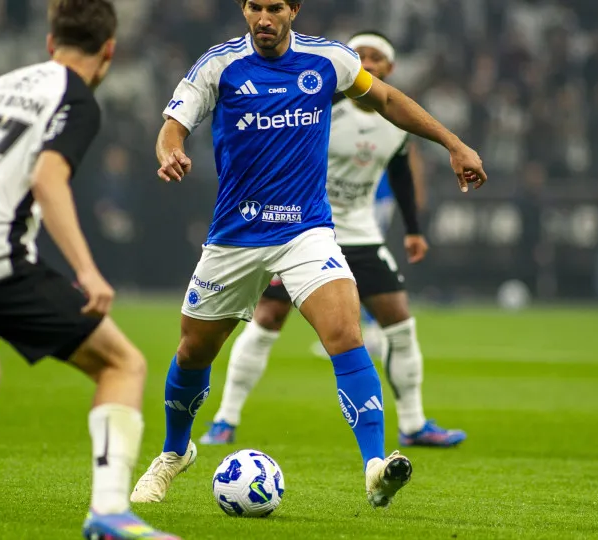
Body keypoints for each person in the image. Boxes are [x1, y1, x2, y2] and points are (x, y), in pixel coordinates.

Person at [131, 0, 486, 510]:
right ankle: (172, 454)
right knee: (192, 351)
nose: (264, 18)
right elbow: (174, 122)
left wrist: (453, 144)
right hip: (235, 234)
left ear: (294, 9)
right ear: (244, 9)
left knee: (344, 333)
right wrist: (170, 150)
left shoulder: (329, 61)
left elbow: (385, 98)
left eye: (275, 7)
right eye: (255, 7)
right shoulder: (219, 64)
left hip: (306, 231)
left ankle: (374, 466)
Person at [0, 1, 178, 539]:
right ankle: (110, 513)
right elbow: (49, 181)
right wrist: (88, 272)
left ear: (50, 43)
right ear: (110, 52)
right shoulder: (77, 99)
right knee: (122, 365)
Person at [200, 31, 466, 449]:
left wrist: (413, 229)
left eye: (376, 58)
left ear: (389, 69)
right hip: (302, 231)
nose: (367, 63)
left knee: (399, 318)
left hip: (360, 235)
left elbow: (399, 174)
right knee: (267, 318)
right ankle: (224, 419)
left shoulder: (396, 125)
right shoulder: (321, 104)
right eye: (359, 56)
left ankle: (413, 425)